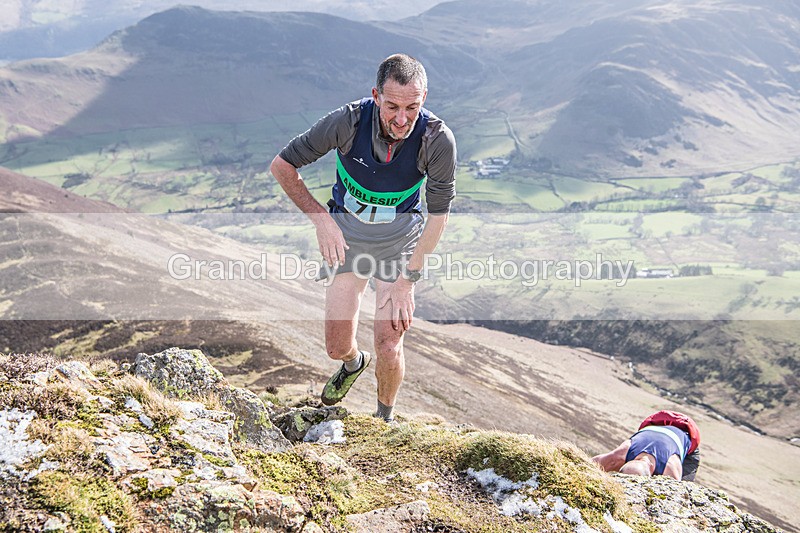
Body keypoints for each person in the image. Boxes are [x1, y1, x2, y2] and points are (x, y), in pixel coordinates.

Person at [270, 54, 457, 422]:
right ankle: (353, 363)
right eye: (392, 107)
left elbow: (438, 217)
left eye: (412, 108)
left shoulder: (436, 140)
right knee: (335, 346)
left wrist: (408, 280)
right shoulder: (348, 122)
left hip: (398, 243)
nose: (401, 119)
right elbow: (282, 166)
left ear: (424, 98)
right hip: (348, 239)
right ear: (376, 96)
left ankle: (383, 420)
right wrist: (323, 221)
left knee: (389, 344)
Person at [592, 410, 701, 481]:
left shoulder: (670, 467)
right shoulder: (619, 456)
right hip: (657, 427)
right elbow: (591, 463)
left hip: (688, 439)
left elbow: (679, 495)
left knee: (685, 483)